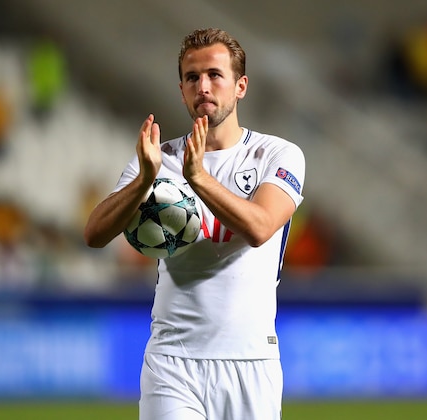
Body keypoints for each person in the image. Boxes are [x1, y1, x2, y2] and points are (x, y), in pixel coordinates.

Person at [84, 28, 305, 420]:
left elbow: (259, 228)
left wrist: (199, 177)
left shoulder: (277, 154)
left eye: (215, 75)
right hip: (172, 360)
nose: (203, 86)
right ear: (182, 90)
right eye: (192, 77)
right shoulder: (157, 159)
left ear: (240, 86)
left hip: (249, 361)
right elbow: (95, 233)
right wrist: (143, 180)